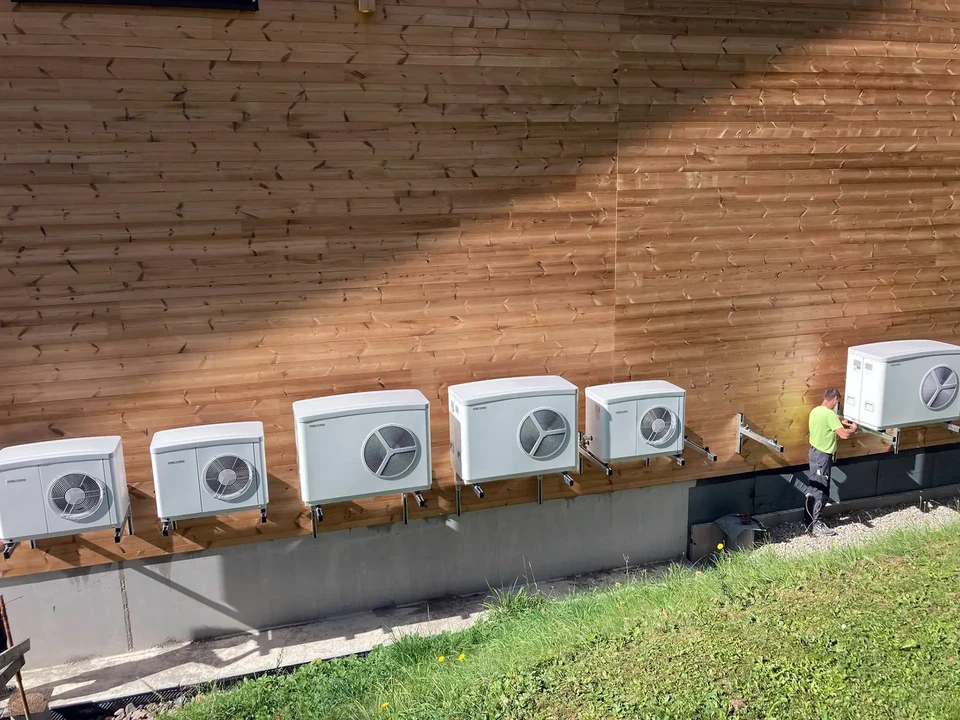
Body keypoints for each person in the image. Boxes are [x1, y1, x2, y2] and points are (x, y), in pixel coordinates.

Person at [806, 388, 858, 536]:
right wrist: (853, 429)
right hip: (823, 457)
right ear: (834, 399)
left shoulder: (815, 411)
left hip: (813, 453)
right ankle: (816, 524)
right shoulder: (830, 415)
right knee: (822, 490)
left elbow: (825, 425)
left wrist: (839, 422)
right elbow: (844, 435)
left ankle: (808, 519)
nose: (837, 404)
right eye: (838, 401)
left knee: (813, 486)